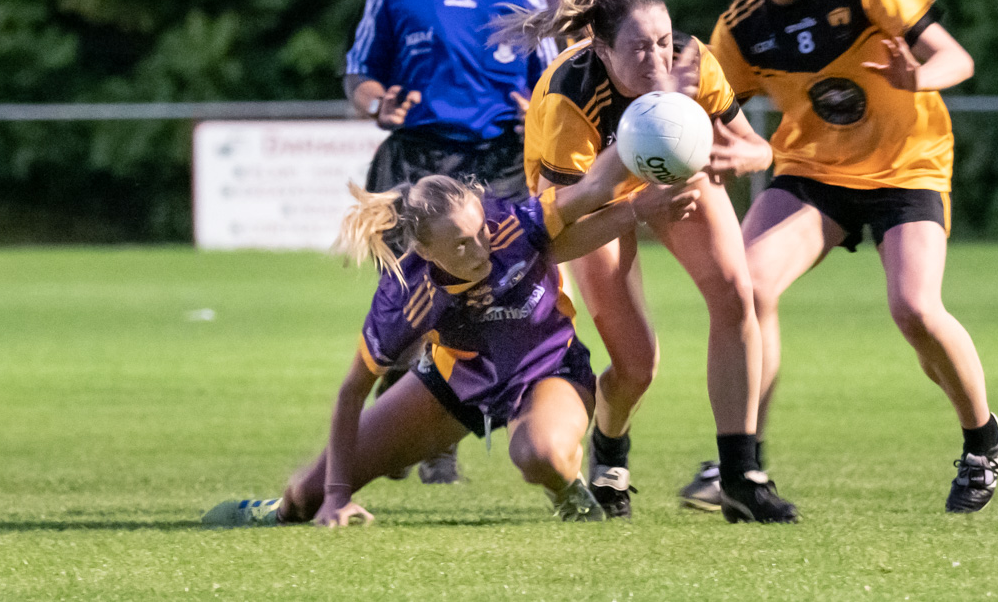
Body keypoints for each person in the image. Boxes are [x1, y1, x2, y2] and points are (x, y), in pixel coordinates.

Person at [679, 0, 998, 515]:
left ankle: (982, 437)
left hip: (906, 163)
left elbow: (956, 57)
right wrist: (684, 119)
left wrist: (917, 76)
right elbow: (715, 116)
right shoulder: (739, 28)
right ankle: (740, 465)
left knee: (914, 309)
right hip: (812, 171)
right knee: (747, 289)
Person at [201, 148, 704, 527]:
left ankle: (570, 493)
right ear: (424, 249)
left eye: (479, 231)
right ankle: (273, 509)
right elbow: (351, 391)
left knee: (540, 454)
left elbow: (595, 189)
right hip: (453, 387)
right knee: (305, 498)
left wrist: (646, 153)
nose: (480, 248)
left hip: (549, 369)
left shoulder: (510, 222)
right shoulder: (406, 296)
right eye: (460, 244)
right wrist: (335, 497)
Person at [503, 0, 799, 523]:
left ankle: (741, 475)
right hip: (592, 198)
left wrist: (748, 158)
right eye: (639, 48)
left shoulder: (692, 63)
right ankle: (610, 455)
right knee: (638, 364)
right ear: (600, 46)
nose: (660, 61)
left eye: (664, 40)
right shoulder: (571, 99)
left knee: (736, 295)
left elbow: (759, 149)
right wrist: (637, 208)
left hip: (673, 176)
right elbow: (554, 241)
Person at [342, 0, 558, 483]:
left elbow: (555, 90)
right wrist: (376, 101)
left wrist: (538, 116)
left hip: (494, 166)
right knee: (407, 311)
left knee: (484, 309)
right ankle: (401, 419)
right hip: (414, 166)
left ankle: (442, 440)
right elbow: (359, 74)